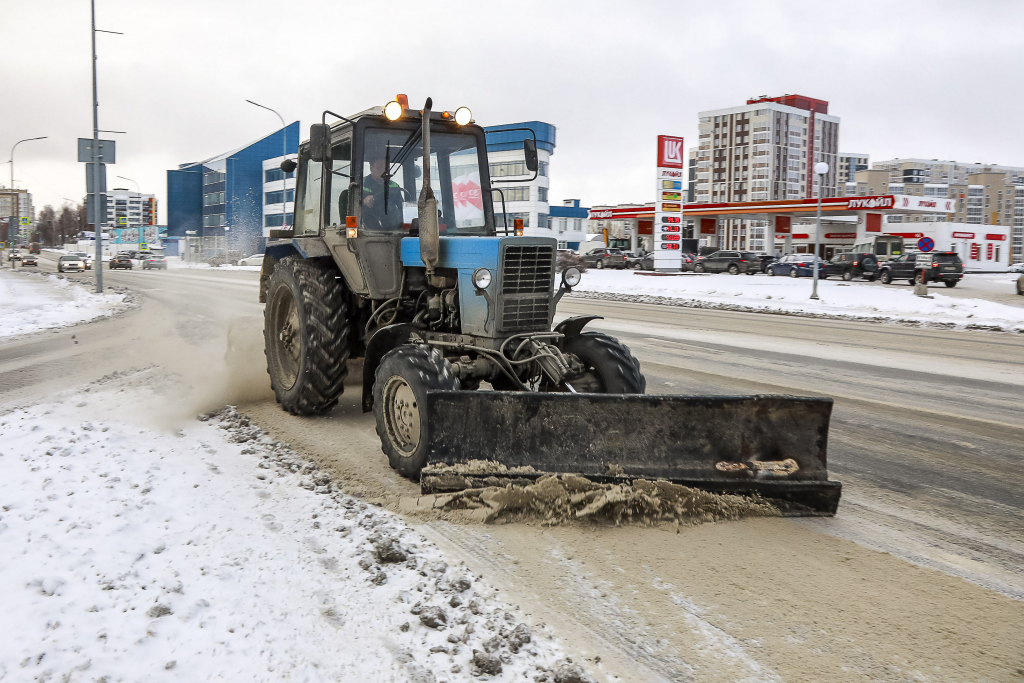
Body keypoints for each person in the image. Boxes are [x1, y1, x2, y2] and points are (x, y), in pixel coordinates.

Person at [340, 153, 404, 231]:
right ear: (371, 168)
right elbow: (348, 203)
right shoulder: (359, 185)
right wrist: (363, 201)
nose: (383, 171)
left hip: (390, 230)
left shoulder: (395, 187)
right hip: (364, 230)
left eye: (386, 168)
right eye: (379, 167)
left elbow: (401, 208)